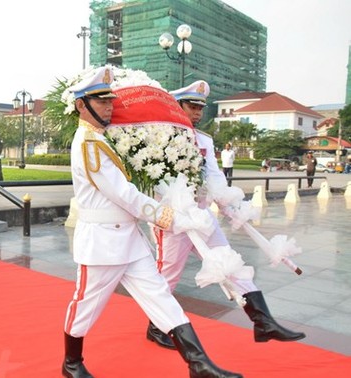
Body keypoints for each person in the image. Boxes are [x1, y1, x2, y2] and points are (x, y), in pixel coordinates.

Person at [62, 67, 241, 378]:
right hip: (102, 243)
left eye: (109, 101)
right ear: (82, 105)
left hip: (129, 240)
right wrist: (167, 216)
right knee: (86, 307)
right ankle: (72, 363)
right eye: (100, 101)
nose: (108, 106)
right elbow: (123, 194)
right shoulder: (88, 144)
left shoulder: (104, 140)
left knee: (161, 297)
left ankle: (199, 364)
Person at [147, 80, 305, 351]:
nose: (197, 113)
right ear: (177, 105)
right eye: (191, 106)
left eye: (199, 108)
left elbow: (214, 177)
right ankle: (156, 326)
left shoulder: (204, 141)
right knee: (168, 276)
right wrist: (182, 211)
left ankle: (264, 321)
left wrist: (229, 204)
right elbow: (156, 181)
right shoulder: (159, 138)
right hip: (175, 221)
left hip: (203, 216)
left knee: (230, 262)